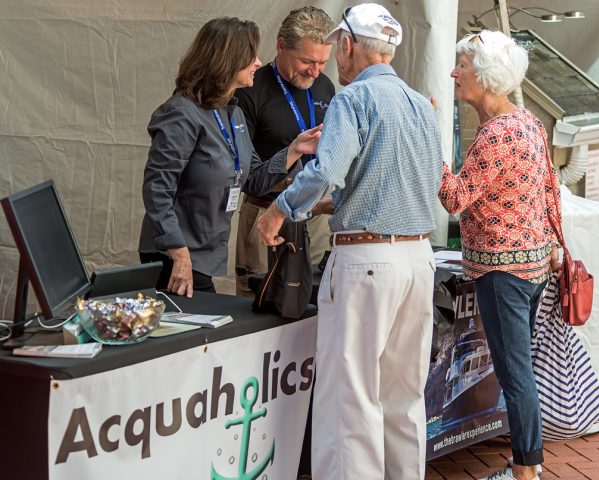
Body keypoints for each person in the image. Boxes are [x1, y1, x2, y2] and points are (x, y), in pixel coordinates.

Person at [257, 4, 442, 479]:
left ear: (347, 45)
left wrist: (281, 209)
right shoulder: (421, 103)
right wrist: (330, 205)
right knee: (403, 398)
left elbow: (327, 170)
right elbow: (414, 183)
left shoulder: (352, 99)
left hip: (366, 261)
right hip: (417, 257)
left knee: (351, 399)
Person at [438, 30, 561, 480]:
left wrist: (430, 145)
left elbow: (454, 199)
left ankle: (528, 470)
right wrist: (551, 247)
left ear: (485, 78)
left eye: (463, 67)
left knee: (515, 375)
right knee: (519, 368)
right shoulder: (528, 123)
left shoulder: (494, 135)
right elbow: (551, 193)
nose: (454, 72)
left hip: (502, 272)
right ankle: (527, 463)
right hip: (531, 268)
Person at [138, 17, 321, 298]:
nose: (259, 63)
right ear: (228, 60)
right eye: (251, 56)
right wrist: (179, 254)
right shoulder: (181, 114)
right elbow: (157, 189)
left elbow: (254, 180)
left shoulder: (231, 112)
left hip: (204, 257)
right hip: (175, 258)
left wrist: (295, 149)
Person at [235, 6, 336, 296]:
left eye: (322, 62)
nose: (315, 71)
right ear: (281, 46)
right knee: (259, 297)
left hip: (314, 214)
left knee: (315, 298)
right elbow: (241, 168)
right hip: (264, 209)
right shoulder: (251, 88)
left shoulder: (325, 87)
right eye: (307, 61)